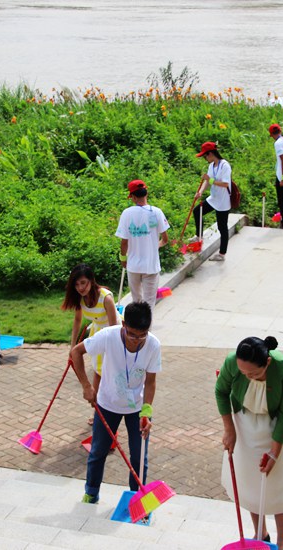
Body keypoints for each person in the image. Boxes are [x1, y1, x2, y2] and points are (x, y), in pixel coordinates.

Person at [69, 301, 160, 504]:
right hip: (107, 403)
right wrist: (86, 386)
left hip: (137, 408)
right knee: (98, 451)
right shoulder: (109, 336)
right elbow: (76, 352)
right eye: (133, 334)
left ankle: (137, 498)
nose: (137, 341)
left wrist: (147, 410)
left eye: (142, 335)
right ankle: (91, 493)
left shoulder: (153, 345)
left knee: (138, 457)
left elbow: (151, 382)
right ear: (124, 324)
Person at [216, 336, 283, 550]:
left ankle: (282, 541)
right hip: (245, 424)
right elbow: (221, 391)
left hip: (278, 427)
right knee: (251, 481)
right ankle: (260, 533)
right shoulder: (233, 361)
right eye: (243, 373)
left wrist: (274, 451)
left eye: (253, 373)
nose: (248, 377)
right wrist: (229, 428)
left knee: (279, 483)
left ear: (267, 363)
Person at [62, 263, 121, 425]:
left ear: (91, 281)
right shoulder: (79, 298)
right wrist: (72, 346)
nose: (80, 288)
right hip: (98, 331)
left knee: (105, 372)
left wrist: (111, 349)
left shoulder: (106, 298)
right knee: (98, 370)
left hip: (113, 333)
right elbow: (77, 320)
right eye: (76, 284)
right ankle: (98, 412)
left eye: (83, 283)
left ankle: (105, 413)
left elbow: (113, 326)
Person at [115, 180, 170, 310]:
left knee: (137, 302)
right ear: (147, 193)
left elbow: (124, 242)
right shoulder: (156, 212)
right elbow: (165, 239)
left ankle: (137, 329)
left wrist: (123, 258)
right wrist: (155, 246)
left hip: (133, 266)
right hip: (151, 266)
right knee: (149, 304)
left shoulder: (127, 213)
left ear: (133, 197)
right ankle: (146, 330)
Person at [193, 141, 232, 261]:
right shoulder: (211, 166)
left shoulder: (225, 165)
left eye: (205, 156)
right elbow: (207, 181)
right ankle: (199, 236)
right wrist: (200, 192)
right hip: (213, 198)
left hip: (223, 201)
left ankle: (222, 254)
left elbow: (225, 184)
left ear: (211, 154)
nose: (205, 159)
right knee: (197, 211)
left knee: (222, 227)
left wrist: (209, 181)